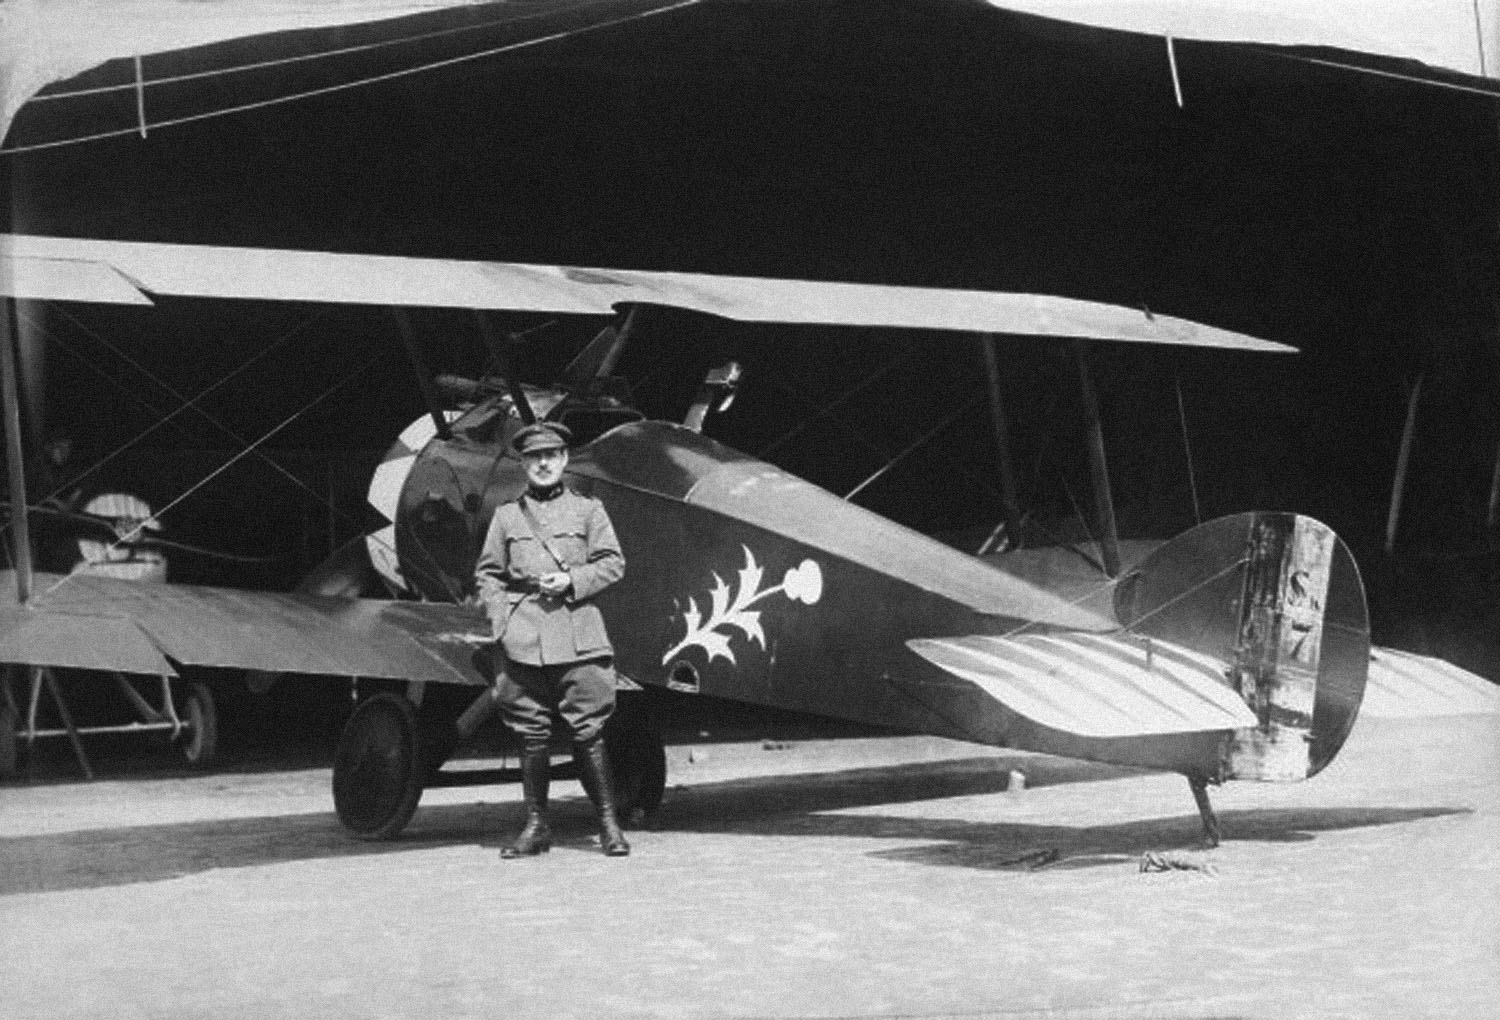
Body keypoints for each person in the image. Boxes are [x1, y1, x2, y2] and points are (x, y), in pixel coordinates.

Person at [475, 421, 630, 858]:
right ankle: (536, 826)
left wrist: (571, 579)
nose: (543, 464)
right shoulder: (507, 516)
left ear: (563, 460)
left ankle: (608, 824)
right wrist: (501, 619)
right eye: (533, 457)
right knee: (530, 735)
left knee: (589, 731)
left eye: (551, 455)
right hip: (522, 638)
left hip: (578, 634)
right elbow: (487, 573)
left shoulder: (589, 511)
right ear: (523, 464)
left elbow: (613, 564)